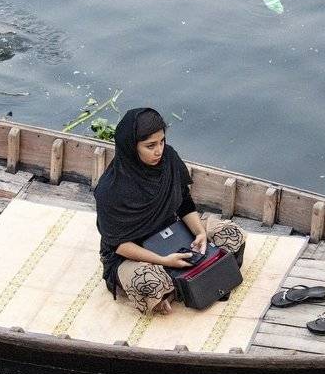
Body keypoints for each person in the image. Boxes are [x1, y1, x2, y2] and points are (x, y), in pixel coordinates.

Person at [94, 108, 247, 315]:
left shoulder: (168, 158)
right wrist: (164, 261)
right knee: (149, 282)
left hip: (174, 232)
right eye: (150, 146)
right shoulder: (110, 190)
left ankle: (178, 286)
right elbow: (119, 245)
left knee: (231, 233)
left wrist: (199, 233)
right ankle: (183, 280)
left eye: (162, 142)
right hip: (134, 253)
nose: (159, 151)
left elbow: (184, 202)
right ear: (131, 146)